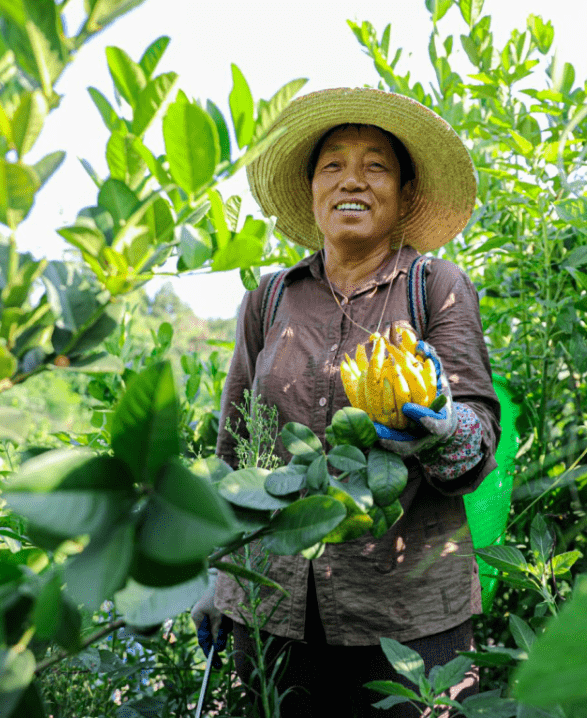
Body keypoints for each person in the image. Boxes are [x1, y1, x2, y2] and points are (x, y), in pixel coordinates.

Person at [192, 87, 500, 717]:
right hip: (272, 610)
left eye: (376, 165)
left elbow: (477, 433)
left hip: (408, 616)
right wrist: (217, 580)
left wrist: (444, 430)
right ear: (311, 189)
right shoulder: (268, 300)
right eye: (333, 165)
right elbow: (235, 451)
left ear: (407, 194)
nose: (351, 180)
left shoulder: (436, 286)